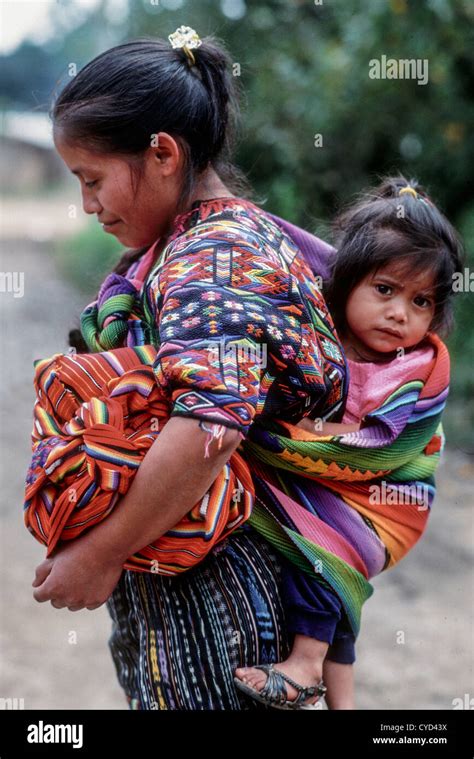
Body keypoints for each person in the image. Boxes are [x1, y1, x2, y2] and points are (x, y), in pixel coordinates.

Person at [31, 28, 349, 709]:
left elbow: (212, 426)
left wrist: (102, 550)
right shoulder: (182, 247)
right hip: (186, 575)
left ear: (164, 154)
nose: (88, 205)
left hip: (223, 589)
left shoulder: (219, 255)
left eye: (92, 179)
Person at [234, 175, 464, 708]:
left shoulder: (413, 368)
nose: (400, 313)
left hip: (387, 501)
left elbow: (374, 443)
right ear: (347, 281)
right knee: (338, 578)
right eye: (384, 290)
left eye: (421, 301)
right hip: (337, 489)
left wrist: (280, 434)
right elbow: (290, 244)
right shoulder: (319, 331)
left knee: (320, 549)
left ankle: (304, 664)